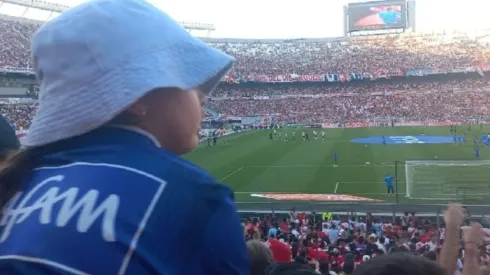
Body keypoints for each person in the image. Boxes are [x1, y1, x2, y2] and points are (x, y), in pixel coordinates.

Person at [0, 0, 248, 274]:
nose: (203, 97)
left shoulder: (23, 181)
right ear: (137, 98)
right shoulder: (197, 198)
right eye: (192, 82)